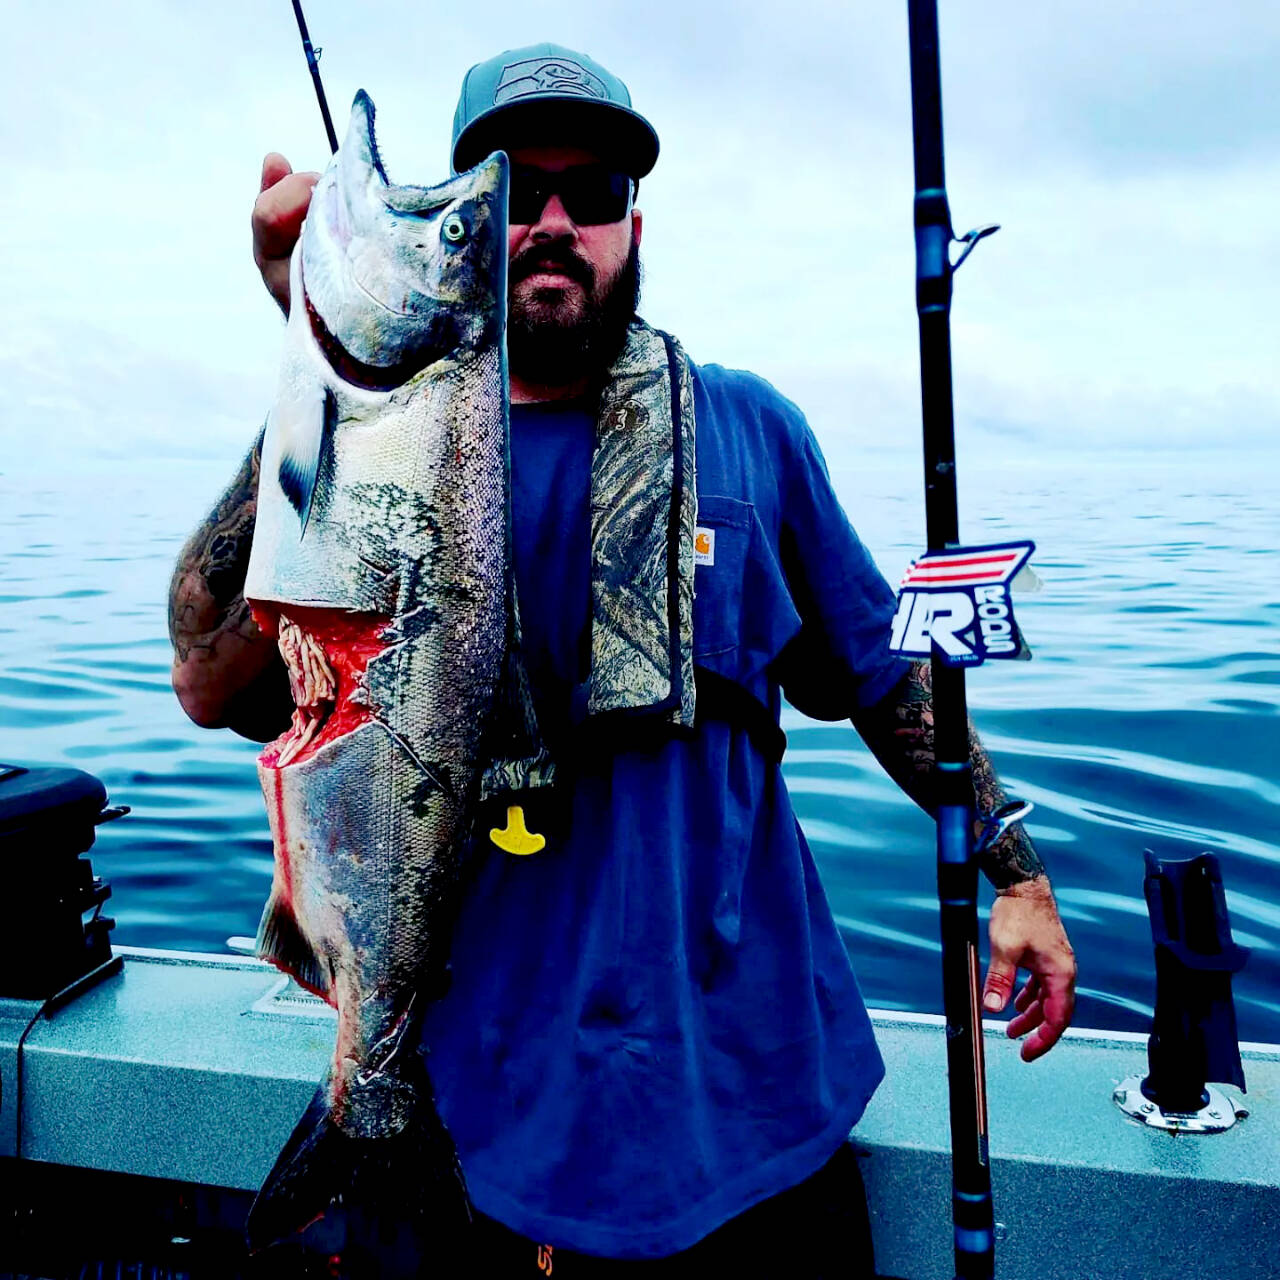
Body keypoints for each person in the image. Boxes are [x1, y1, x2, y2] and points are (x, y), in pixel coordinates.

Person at [169, 43, 1076, 1277]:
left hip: (755, 1118)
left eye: (588, 193)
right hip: (480, 1130)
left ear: (631, 220)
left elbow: (884, 678)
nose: (549, 221)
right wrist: (306, 369)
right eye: (510, 188)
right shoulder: (355, 451)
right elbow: (208, 669)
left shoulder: (750, 426)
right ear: (472, 223)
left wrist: (1012, 868)